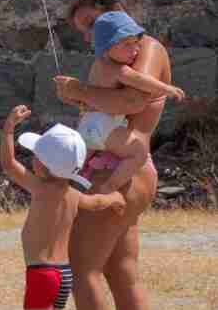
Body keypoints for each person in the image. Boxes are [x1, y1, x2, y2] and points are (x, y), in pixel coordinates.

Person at [53, 0, 174, 310]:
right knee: (121, 273)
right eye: (83, 31)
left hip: (123, 169)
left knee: (82, 267)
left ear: (116, 13)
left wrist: (78, 92)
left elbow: (133, 103)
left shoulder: (148, 47)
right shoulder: (112, 57)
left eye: (92, 24)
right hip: (116, 166)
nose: (90, 37)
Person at [0, 107, 125, 310]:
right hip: (62, 275)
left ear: (42, 165)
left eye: (35, 156)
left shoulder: (40, 188)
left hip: (41, 274)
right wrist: (115, 199)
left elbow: (8, 164)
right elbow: (97, 202)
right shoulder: (73, 195)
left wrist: (8, 130)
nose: (32, 160)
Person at [75, 11, 185, 193]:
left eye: (136, 43)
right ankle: (109, 187)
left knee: (77, 165)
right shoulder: (117, 68)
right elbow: (139, 80)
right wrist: (167, 89)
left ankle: (74, 179)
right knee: (138, 153)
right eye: (127, 44)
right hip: (104, 127)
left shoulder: (97, 65)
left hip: (86, 124)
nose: (136, 50)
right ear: (107, 47)